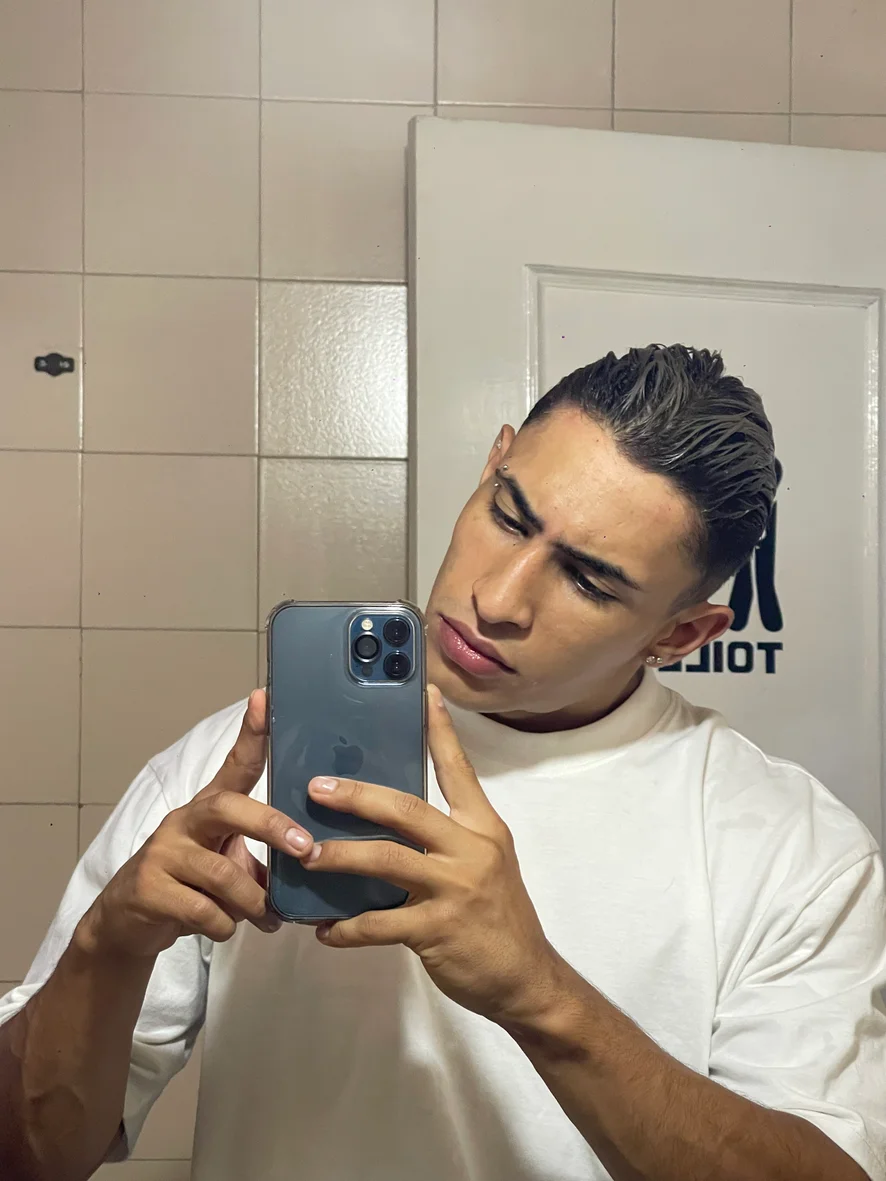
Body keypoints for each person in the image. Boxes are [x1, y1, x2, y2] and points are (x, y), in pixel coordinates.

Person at [1, 345, 884, 1181]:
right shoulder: (241, 759)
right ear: (492, 461)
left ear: (680, 634)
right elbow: (27, 1155)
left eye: (588, 580)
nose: (496, 598)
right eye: (508, 516)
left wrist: (541, 995)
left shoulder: (792, 850)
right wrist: (106, 944)